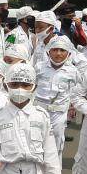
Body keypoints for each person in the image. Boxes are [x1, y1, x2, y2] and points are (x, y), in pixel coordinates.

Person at [34, 35, 80, 165]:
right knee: (37, 142)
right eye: (55, 50)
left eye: (62, 50)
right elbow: (31, 87)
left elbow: (77, 91)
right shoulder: (39, 67)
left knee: (57, 143)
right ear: (49, 52)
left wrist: (73, 106)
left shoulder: (73, 71)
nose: (58, 54)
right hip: (39, 111)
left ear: (68, 53)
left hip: (59, 114)